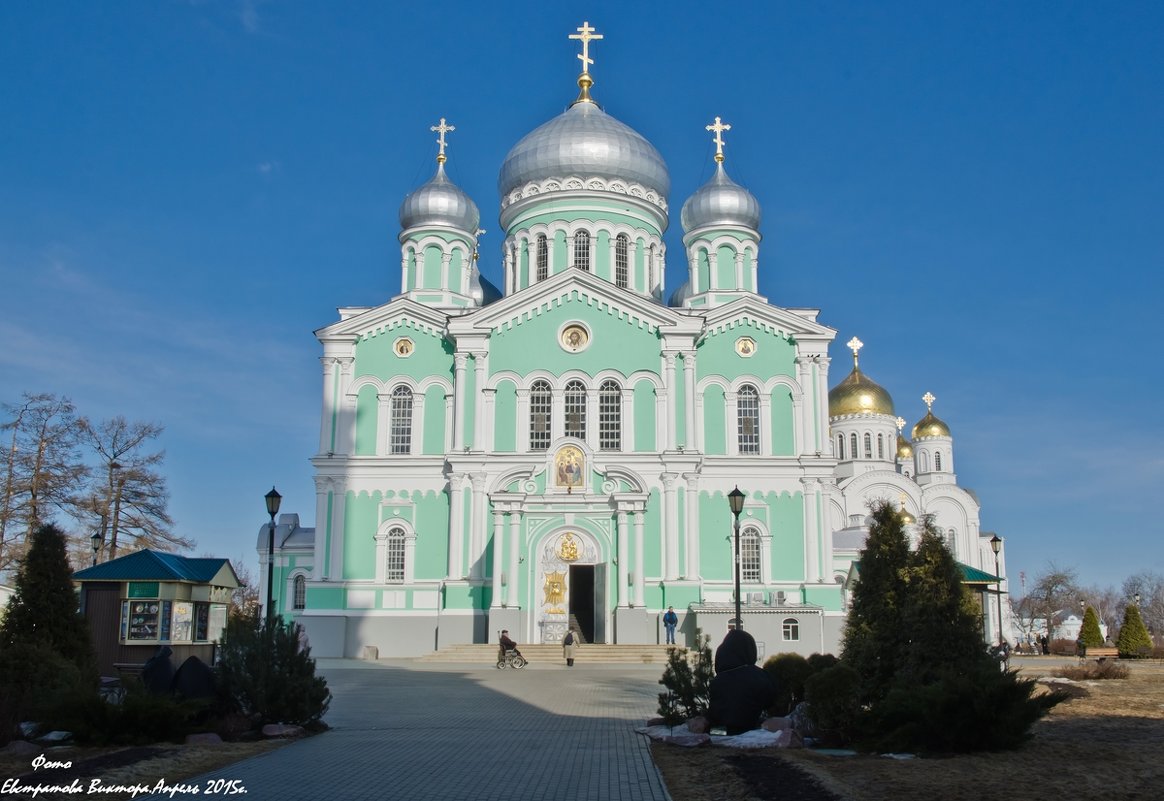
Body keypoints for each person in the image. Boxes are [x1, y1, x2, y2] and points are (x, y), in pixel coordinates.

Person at [706, 629, 777, 735]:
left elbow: (713, 713)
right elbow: (771, 701)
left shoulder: (717, 680)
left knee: (711, 731)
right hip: (752, 730)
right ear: (750, 650)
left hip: (721, 732)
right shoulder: (760, 676)